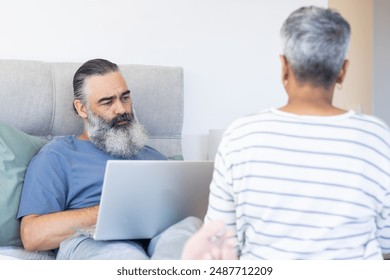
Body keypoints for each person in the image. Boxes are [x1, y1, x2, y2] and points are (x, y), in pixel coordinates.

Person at [182, 6, 390, 260]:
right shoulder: (377, 139)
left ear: (284, 66)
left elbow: (221, 241)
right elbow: (386, 241)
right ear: (342, 71)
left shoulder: (241, 136)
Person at [17, 58, 202, 260]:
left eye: (125, 98)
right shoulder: (57, 156)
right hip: (91, 241)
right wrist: (112, 211)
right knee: (126, 257)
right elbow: (32, 235)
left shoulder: (152, 156)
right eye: (107, 102)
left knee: (190, 231)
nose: (121, 109)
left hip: (157, 236)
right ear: (82, 108)